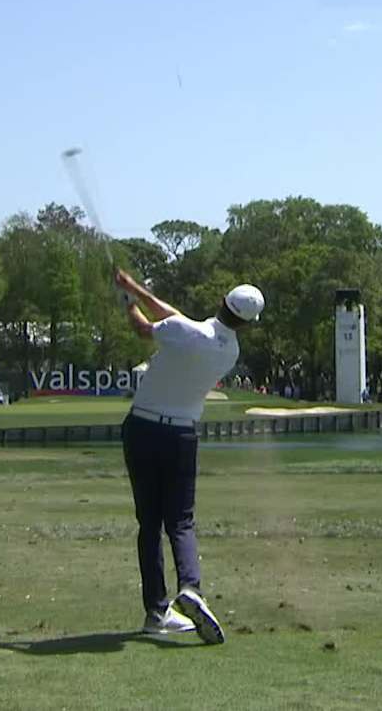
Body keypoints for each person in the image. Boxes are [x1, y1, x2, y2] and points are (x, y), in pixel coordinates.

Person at [113, 267, 262, 645]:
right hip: (181, 435)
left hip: (141, 428)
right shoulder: (229, 351)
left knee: (149, 524)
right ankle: (191, 588)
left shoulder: (185, 332)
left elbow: (145, 328)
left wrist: (127, 299)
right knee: (180, 520)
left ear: (221, 301)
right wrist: (136, 288)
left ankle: (156, 611)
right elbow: (176, 318)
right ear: (246, 324)